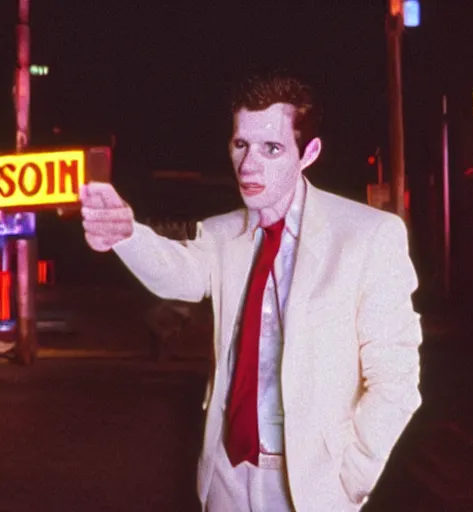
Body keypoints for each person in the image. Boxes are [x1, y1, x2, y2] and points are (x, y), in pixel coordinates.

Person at [80, 69, 422, 511]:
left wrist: (349, 479)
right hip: (226, 478)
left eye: (271, 148)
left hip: (309, 489)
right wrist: (127, 235)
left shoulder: (366, 236)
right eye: (240, 144)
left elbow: (396, 382)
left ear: (308, 152)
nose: (248, 164)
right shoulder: (224, 233)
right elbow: (180, 273)